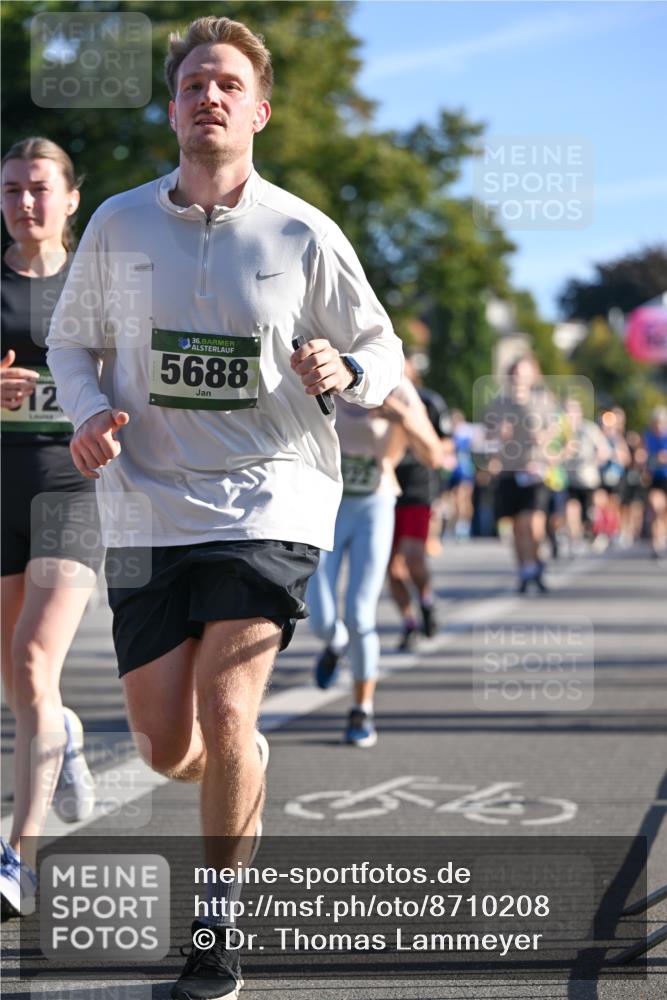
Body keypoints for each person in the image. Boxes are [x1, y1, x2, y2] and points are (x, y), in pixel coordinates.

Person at [46, 16, 403, 999]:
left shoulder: (301, 231)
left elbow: (383, 351)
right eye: (194, 80)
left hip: (270, 493)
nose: (209, 94)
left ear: (259, 109)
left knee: (227, 702)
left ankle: (217, 921)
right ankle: (233, 764)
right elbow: (70, 346)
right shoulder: (119, 223)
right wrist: (88, 415)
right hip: (146, 504)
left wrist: (348, 364)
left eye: (228, 83)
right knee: (169, 745)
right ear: (172, 107)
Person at [0, 138, 101, 918]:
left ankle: (19, 853)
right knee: (19, 674)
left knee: (34, 655)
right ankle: (62, 727)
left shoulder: (96, 285)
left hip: (72, 490)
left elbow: (135, 380)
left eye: (40, 188)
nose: (25, 203)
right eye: (11, 190)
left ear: (71, 199)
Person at [308, 378, 441, 747]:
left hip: (375, 503)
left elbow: (434, 454)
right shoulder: (317, 365)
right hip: (327, 505)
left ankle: (361, 710)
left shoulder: (394, 383)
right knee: (318, 617)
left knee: (360, 612)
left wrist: (400, 414)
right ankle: (335, 644)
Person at [387, 356, 450, 650]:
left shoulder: (428, 401)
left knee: (413, 558)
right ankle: (409, 622)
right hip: (385, 488)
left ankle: (426, 599)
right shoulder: (369, 397)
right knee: (391, 569)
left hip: (417, 487)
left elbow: (445, 443)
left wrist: (411, 428)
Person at [483, 355, 559, 593]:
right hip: (508, 470)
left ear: (532, 375)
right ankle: (526, 571)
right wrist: (498, 434)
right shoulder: (498, 403)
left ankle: (534, 563)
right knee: (517, 526)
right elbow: (486, 435)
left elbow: (558, 428)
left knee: (532, 525)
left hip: (534, 469)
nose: (518, 377)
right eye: (514, 373)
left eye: (523, 373)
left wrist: (544, 437)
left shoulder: (543, 401)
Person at [644, 405, 667, 558]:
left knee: (663, 512)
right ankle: (656, 542)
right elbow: (642, 455)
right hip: (655, 479)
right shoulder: (648, 437)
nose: (658, 427)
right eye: (656, 423)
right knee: (656, 506)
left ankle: (661, 537)